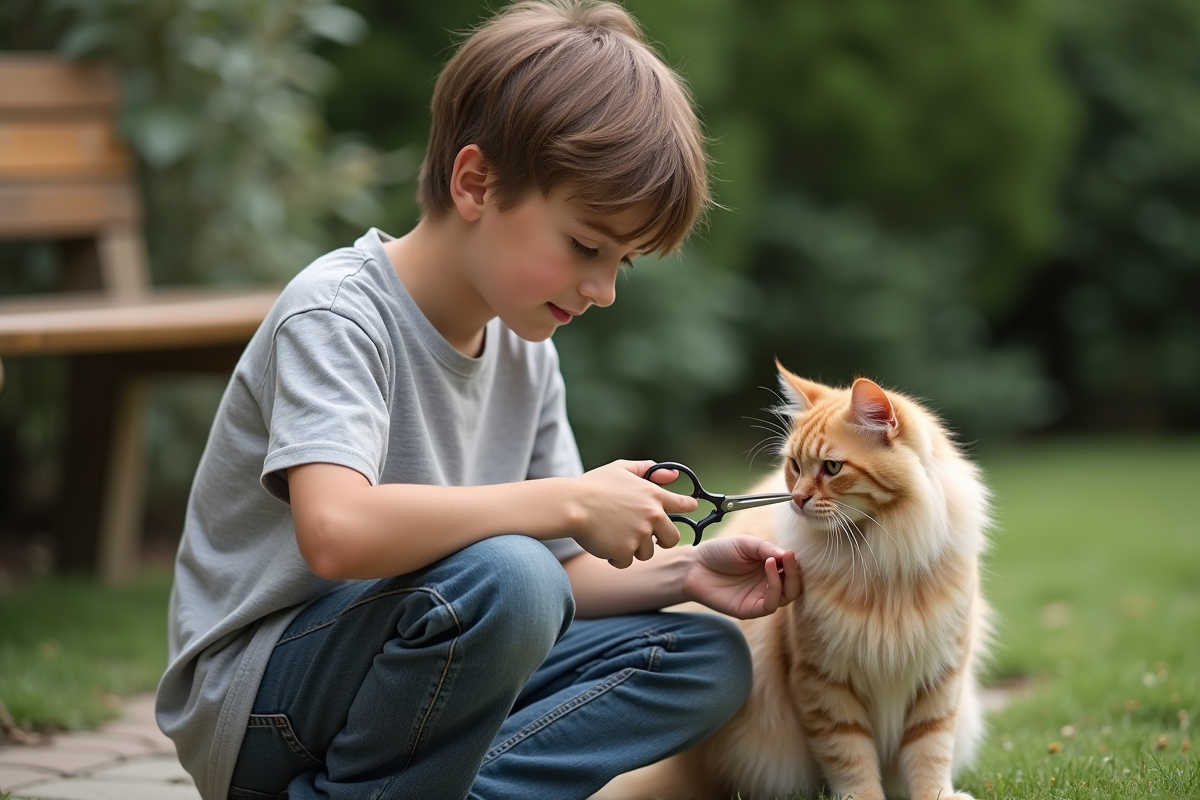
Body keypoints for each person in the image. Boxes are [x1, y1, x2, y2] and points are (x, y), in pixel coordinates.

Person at [155, 2, 802, 798]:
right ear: (475, 182)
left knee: (702, 660)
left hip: (421, 680)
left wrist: (687, 575)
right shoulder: (339, 313)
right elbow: (336, 533)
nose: (600, 291)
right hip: (263, 707)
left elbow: (564, 582)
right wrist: (565, 501)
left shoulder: (526, 353)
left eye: (623, 264)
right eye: (586, 246)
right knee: (513, 576)